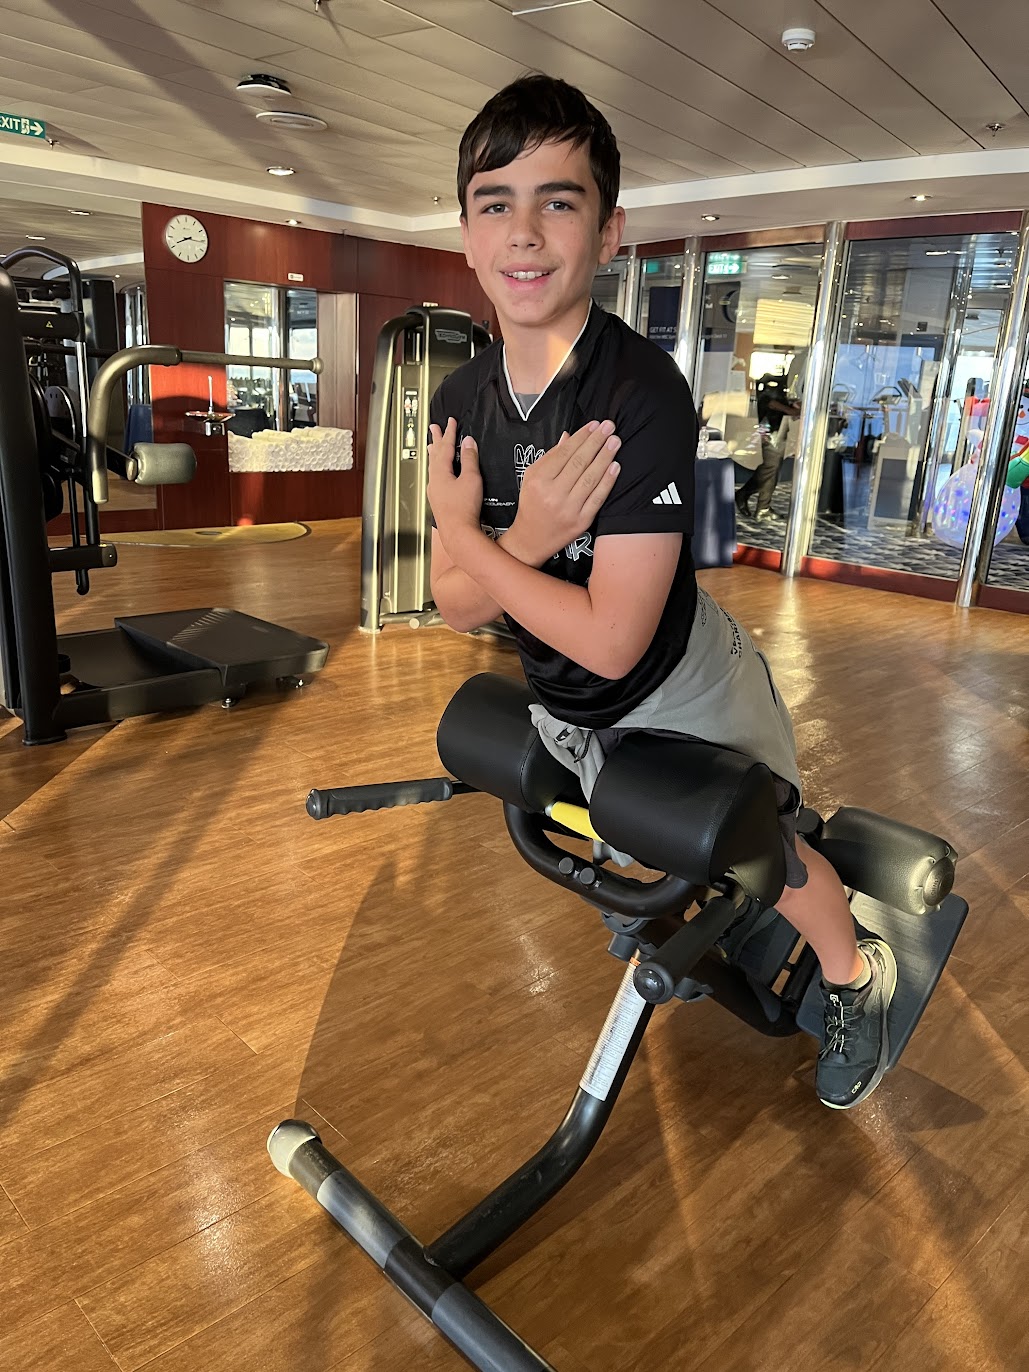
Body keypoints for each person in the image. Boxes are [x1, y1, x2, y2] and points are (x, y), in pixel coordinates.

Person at [426, 74, 896, 1110]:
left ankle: (855, 971)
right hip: (567, 696)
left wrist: (472, 537)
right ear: (465, 233)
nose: (524, 231)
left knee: (768, 853)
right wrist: (525, 539)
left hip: (678, 685)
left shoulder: (639, 394)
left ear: (608, 231)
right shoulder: (462, 396)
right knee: (632, 826)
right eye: (495, 202)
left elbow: (612, 638)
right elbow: (455, 606)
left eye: (558, 201)